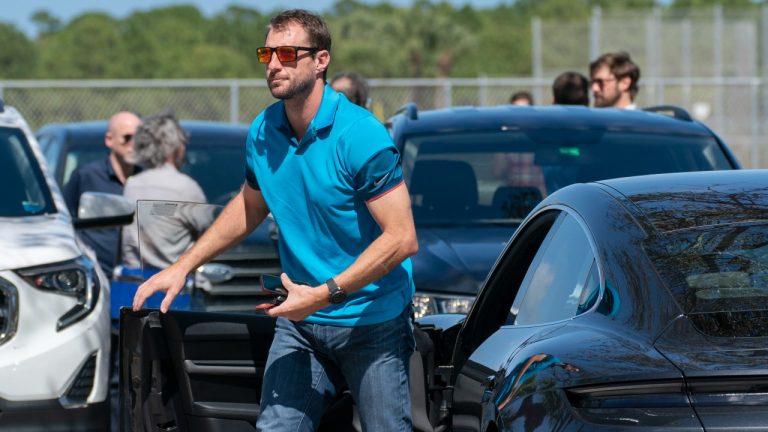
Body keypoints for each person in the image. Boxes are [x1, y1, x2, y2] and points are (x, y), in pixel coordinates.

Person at [132, 9, 419, 432]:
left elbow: (402, 239)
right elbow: (249, 206)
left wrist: (324, 294)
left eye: (287, 53)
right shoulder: (263, 130)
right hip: (300, 322)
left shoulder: (361, 135)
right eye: (267, 53)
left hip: (371, 320)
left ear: (321, 60)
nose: (273, 64)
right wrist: (182, 265)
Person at [121, 113, 208, 270]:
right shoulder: (185, 188)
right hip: (176, 281)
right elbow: (211, 235)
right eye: (182, 142)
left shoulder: (131, 186)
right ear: (174, 146)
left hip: (134, 280)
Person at [63, 111, 141, 278]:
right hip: (96, 276)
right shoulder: (86, 176)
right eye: (127, 138)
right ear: (109, 140)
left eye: (139, 138)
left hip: (139, 276)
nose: (134, 144)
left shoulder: (147, 180)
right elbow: (64, 221)